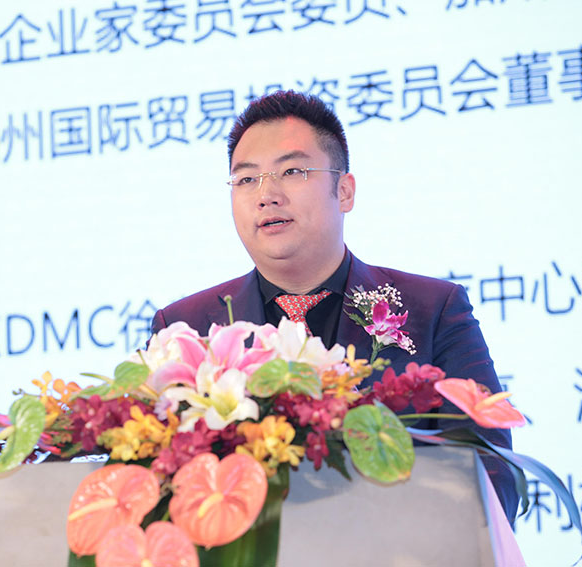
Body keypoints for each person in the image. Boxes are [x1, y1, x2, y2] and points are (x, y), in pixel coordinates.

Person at [150, 90, 518, 523]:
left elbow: (494, 482)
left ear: (344, 191)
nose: (266, 195)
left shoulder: (434, 311)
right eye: (246, 179)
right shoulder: (186, 329)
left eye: (292, 171)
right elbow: (154, 488)